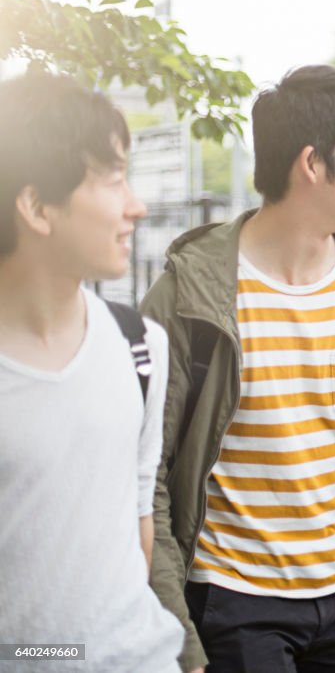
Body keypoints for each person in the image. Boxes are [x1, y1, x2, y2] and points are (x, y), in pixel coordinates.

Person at [140, 65, 335, 673]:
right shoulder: (189, 293)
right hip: (232, 604)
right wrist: (172, 624)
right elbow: (145, 471)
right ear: (312, 164)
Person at [0, 73, 184, 671]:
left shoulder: (141, 346)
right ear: (35, 206)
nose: (136, 205)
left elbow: (138, 521)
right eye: (112, 180)